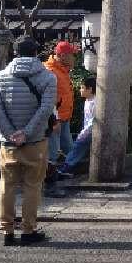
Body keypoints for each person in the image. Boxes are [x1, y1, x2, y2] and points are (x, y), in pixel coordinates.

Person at [0, 36, 57, 246]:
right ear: (36, 52)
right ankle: (28, 231)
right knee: (32, 186)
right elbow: (45, 109)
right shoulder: (48, 78)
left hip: (8, 144)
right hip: (35, 142)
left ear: (15, 53)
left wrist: (12, 134)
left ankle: (7, 232)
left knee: (7, 186)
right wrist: (26, 134)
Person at [44, 40, 79, 196]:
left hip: (64, 117)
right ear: (63, 55)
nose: (74, 58)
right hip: (55, 119)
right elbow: (50, 99)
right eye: (72, 55)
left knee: (68, 147)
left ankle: (58, 172)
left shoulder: (63, 70)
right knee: (52, 151)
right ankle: (49, 186)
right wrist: (55, 120)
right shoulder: (50, 71)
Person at [57, 76, 96, 177]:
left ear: (90, 89)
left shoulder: (94, 103)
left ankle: (67, 168)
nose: (80, 90)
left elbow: (92, 121)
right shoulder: (88, 101)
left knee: (77, 148)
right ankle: (68, 167)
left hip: (89, 132)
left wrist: (83, 133)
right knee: (78, 149)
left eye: (82, 88)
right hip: (87, 131)